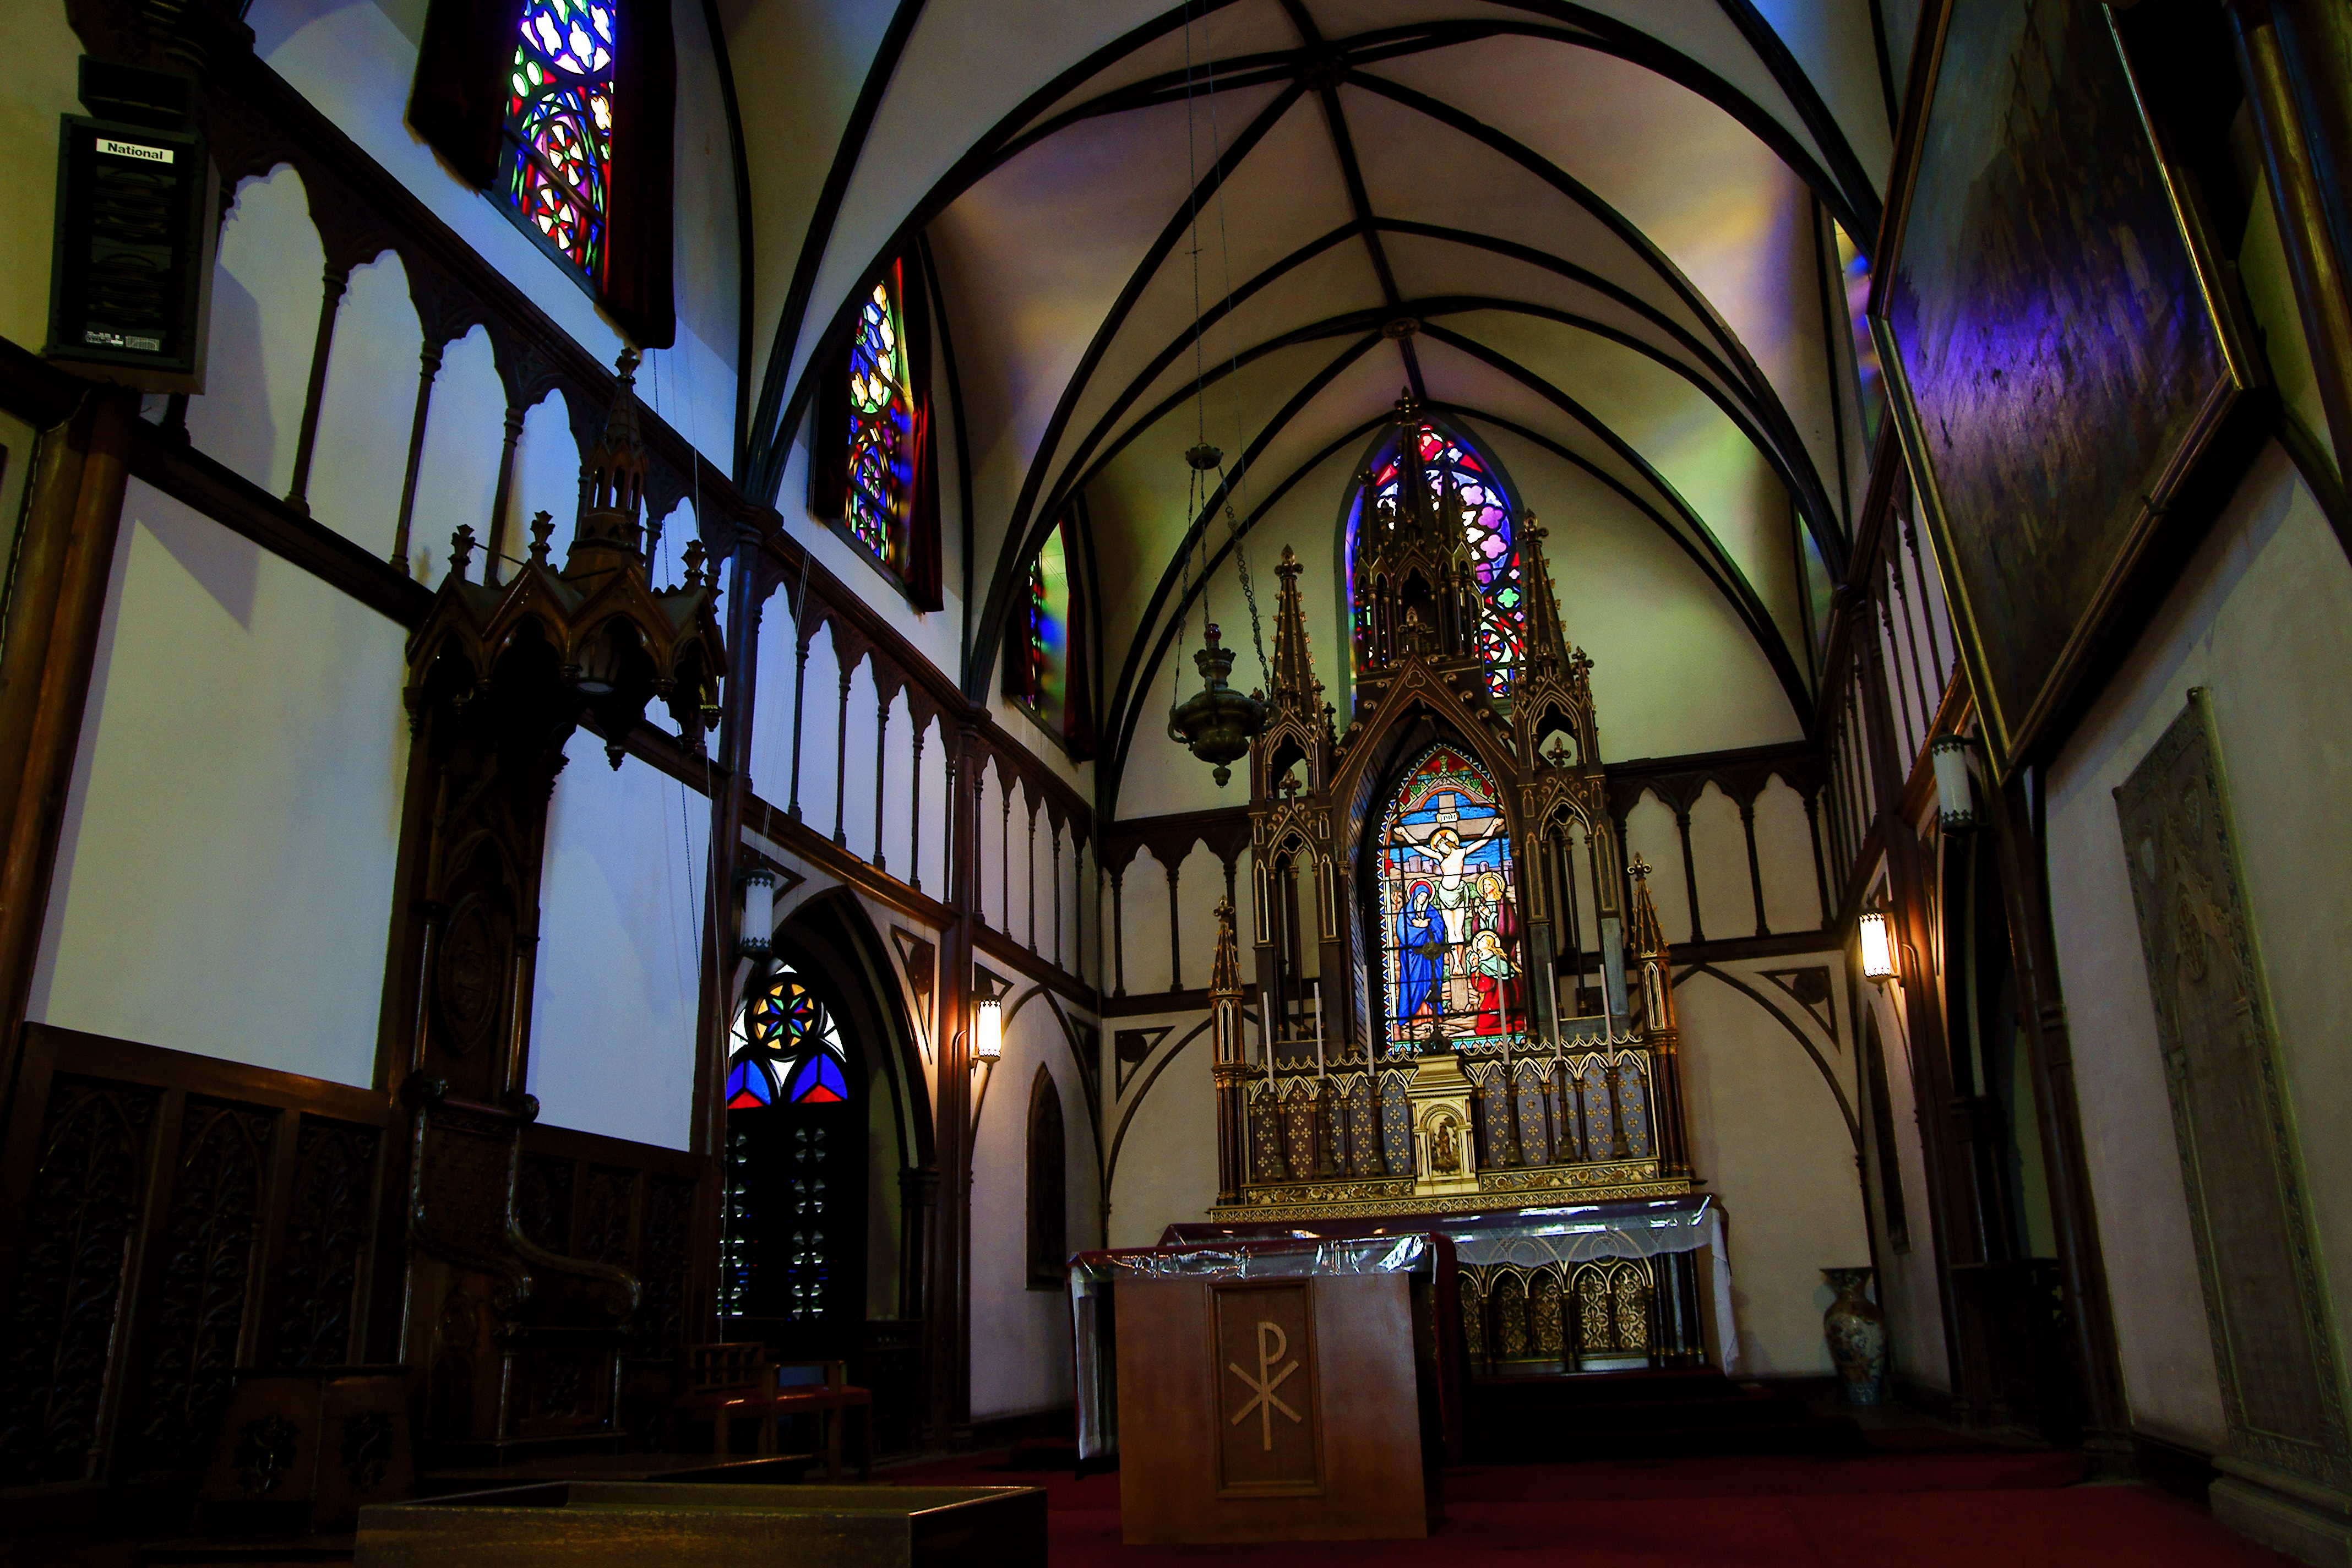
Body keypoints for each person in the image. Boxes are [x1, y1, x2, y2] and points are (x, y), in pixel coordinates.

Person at [1396, 879, 1445, 1027]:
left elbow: (1440, 930)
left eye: (1425, 896)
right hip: (1413, 956)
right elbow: (1403, 934)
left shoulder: (1432, 912)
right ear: (1415, 895)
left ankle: (1433, 1015)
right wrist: (1419, 929)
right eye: (1421, 895)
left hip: (1430, 956)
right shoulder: (1405, 912)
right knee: (1414, 983)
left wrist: (1426, 926)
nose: (1423, 899)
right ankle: (1412, 1016)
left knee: (1431, 982)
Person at [1467, 928, 1520, 1035]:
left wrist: (1475, 968)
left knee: (1484, 1025)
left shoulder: (1491, 963)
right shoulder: (1489, 961)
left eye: (1482, 941)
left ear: (1489, 945)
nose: (1478, 942)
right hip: (1497, 1000)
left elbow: (1483, 987)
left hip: (1497, 1001)